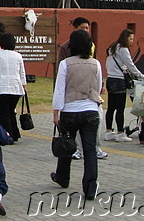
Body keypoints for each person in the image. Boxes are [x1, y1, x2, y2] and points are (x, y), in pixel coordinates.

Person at [50, 29, 101, 200]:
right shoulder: (96, 64)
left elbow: (60, 90)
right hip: (91, 110)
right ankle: (90, 187)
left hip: (70, 110)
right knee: (90, 151)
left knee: (67, 145)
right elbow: (99, 86)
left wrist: (56, 111)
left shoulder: (66, 64)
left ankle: (63, 178)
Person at [104, 29, 144, 143]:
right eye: (130, 39)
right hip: (119, 80)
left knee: (111, 108)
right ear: (125, 38)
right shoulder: (124, 49)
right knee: (120, 108)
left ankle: (108, 131)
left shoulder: (113, 48)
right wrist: (141, 76)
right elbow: (130, 65)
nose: (132, 41)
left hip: (110, 79)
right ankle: (120, 133)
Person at [0, 33, 26, 142]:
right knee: (11, 111)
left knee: (4, 113)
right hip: (15, 87)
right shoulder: (18, 55)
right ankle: (15, 133)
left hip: (1, 87)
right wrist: (24, 85)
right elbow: (22, 72)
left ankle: (8, 135)